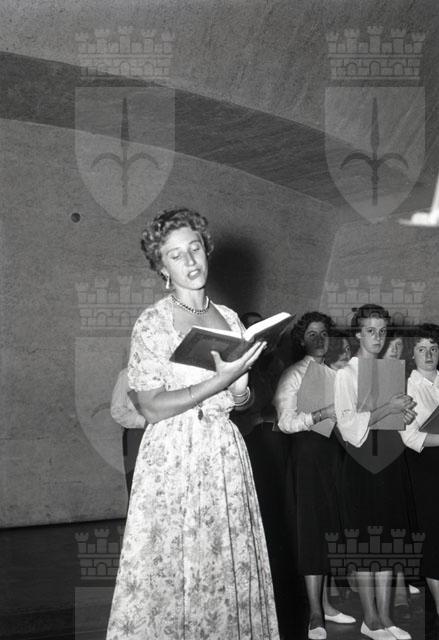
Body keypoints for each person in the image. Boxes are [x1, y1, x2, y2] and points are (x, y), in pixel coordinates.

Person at [106, 208, 279, 640]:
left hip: (223, 452)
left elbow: (240, 401)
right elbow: (150, 407)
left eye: (195, 248)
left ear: (206, 250)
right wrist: (218, 381)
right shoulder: (153, 322)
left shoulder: (231, 318)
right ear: (162, 267)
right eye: (175, 254)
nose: (190, 260)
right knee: (171, 568)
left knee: (221, 566)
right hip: (172, 456)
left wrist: (239, 391)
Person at [334, 304, 416, 640]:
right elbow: (348, 426)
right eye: (370, 331)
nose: (377, 338)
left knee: (387, 544)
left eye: (382, 331)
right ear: (358, 334)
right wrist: (388, 408)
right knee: (367, 545)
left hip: (389, 461)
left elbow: (392, 419)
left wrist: (403, 414)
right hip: (361, 463)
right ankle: (369, 619)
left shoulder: (390, 371)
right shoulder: (346, 374)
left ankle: (385, 617)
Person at [274, 312, 354, 640]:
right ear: (301, 340)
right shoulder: (293, 374)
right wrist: (321, 414)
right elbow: (285, 422)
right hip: (306, 457)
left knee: (329, 529)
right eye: (312, 334)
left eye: (323, 333)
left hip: (332, 457)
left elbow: (346, 421)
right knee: (311, 532)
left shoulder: (335, 374)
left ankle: (327, 605)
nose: (319, 340)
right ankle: (315, 613)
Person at [402, 324, 439, 621]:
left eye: (434, 348)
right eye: (422, 349)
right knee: (435, 537)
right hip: (427, 468)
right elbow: (410, 437)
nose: (429, 354)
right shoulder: (407, 387)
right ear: (412, 354)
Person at [110, 368, 146, 495]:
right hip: (136, 436)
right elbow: (117, 410)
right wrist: (143, 422)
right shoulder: (128, 374)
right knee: (138, 487)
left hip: (167, 435)